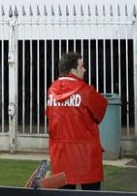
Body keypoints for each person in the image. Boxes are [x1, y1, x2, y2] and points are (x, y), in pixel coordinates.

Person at [46, 52, 107, 191]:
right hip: (86, 155)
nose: (84, 69)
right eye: (82, 66)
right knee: (91, 191)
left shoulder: (51, 91)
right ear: (73, 71)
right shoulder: (86, 91)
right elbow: (100, 114)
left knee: (65, 190)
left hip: (60, 154)